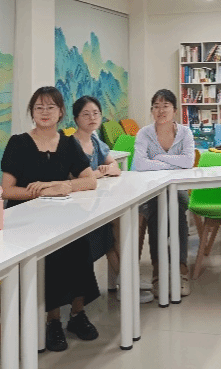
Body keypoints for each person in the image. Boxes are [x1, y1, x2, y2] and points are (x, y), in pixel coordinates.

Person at [1, 86, 99, 353]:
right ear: (32, 112)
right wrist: (43, 191)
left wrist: (61, 185)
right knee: (52, 253)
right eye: (39, 108)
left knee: (80, 245)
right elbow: (7, 190)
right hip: (24, 219)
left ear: (61, 112)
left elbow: (90, 181)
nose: (45, 112)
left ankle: (77, 314)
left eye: (50, 107)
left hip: (60, 215)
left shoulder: (68, 143)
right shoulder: (18, 143)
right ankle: (52, 320)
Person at [70, 96, 153, 304]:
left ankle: (127, 280)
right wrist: (99, 173)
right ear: (76, 118)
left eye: (96, 113)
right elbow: (77, 178)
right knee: (113, 229)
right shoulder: (71, 144)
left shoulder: (95, 141)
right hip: (78, 206)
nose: (92, 118)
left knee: (122, 222)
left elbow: (115, 168)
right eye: (86, 114)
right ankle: (128, 283)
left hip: (97, 200)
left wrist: (104, 171)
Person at [134, 89, 195, 297]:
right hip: (151, 191)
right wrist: (172, 163)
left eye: (165, 106)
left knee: (176, 209)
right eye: (156, 106)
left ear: (174, 110)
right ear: (152, 110)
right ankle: (158, 272)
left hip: (177, 191)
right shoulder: (144, 133)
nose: (160, 111)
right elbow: (139, 164)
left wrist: (159, 158)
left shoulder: (185, 133)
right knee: (157, 209)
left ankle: (181, 270)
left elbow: (189, 161)